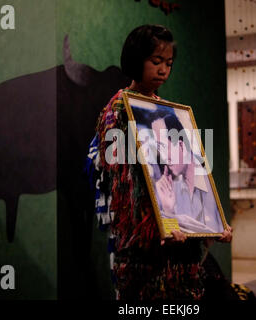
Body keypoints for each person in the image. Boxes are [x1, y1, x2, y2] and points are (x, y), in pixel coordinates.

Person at [86, 24, 234, 300]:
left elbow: (190, 169)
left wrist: (210, 222)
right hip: (143, 252)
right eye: (156, 62)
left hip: (178, 249)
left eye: (169, 63)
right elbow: (121, 185)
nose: (164, 69)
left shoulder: (163, 110)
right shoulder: (118, 110)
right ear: (135, 60)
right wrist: (159, 224)